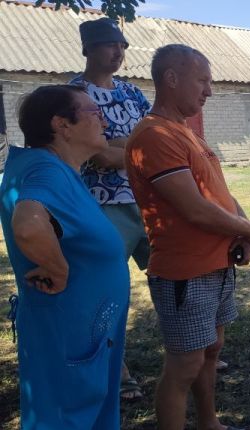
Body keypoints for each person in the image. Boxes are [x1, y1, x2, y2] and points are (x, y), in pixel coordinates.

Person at [125, 44, 250, 430]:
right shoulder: (154, 135)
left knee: (210, 352)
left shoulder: (183, 131)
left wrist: (243, 227)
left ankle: (209, 424)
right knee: (183, 365)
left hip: (216, 263)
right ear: (171, 78)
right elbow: (195, 209)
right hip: (185, 272)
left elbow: (217, 192)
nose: (210, 90)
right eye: (202, 80)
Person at [0, 85, 129, 430]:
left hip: (83, 332)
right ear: (62, 124)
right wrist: (56, 268)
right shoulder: (46, 169)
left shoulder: (55, 167)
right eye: (93, 112)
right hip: (67, 335)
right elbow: (28, 223)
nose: (103, 119)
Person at [69, 16, 153, 401]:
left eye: (122, 45)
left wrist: (121, 147)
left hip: (149, 201)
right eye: (109, 45)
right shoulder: (73, 95)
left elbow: (154, 140)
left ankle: (192, 349)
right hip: (102, 208)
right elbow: (97, 157)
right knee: (107, 290)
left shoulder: (134, 93)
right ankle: (117, 371)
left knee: (175, 274)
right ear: (88, 49)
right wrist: (133, 150)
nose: (118, 52)